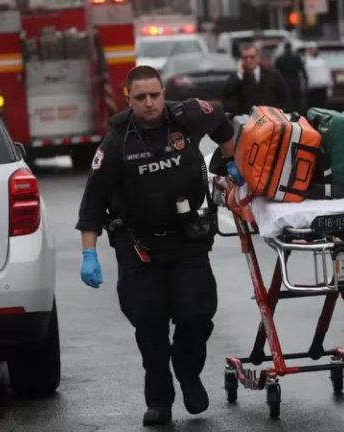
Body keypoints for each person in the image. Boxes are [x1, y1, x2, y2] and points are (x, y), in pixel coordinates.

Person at [76, 65, 236, 426]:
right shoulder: (117, 143)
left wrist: (231, 162)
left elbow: (222, 121)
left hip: (186, 238)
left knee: (196, 316)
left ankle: (188, 372)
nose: (150, 104)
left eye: (155, 95)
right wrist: (88, 253)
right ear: (127, 97)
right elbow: (92, 204)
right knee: (150, 327)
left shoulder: (187, 117)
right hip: (138, 245)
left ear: (164, 93)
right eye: (141, 97)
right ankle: (159, 400)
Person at [222, 43, 291, 114]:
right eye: (245, 57)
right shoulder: (237, 77)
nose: (249, 60)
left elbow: (285, 97)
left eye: (252, 57)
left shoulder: (273, 74)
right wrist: (239, 75)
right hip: (247, 120)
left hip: (270, 119)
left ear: (258, 57)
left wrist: (277, 113)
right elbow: (228, 97)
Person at [274, 41, 307, 113]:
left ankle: (289, 112)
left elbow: (275, 71)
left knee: (288, 100)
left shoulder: (280, 58)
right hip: (294, 81)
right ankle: (297, 112)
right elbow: (302, 69)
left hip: (285, 81)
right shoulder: (296, 58)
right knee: (296, 100)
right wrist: (305, 79)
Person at [304, 42, 333, 109]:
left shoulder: (322, 60)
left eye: (314, 49)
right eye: (310, 49)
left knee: (322, 105)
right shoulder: (306, 60)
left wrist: (329, 85)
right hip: (312, 88)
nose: (312, 51)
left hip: (322, 87)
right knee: (313, 105)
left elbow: (327, 72)